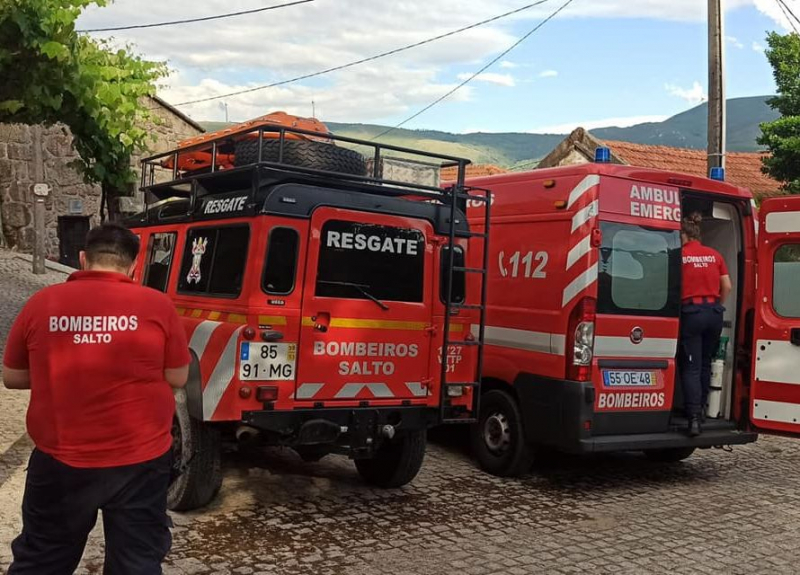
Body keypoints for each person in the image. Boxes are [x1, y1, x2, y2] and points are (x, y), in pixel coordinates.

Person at [2, 223, 191, 574]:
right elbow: (176, 377)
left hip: (60, 461)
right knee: (136, 562)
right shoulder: (157, 305)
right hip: (140, 461)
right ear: (134, 265)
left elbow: (12, 377)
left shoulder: (43, 303)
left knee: (43, 559)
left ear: (83, 259)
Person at [679, 212, 732, 437]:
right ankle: (700, 410)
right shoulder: (715, 254)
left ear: (683, 236)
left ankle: (692, 420)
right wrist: (716, 305)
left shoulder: (680, 256)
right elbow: (727, 286)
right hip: (714, 313)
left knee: (690, 365)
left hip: (692, 313)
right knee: (704, 364)